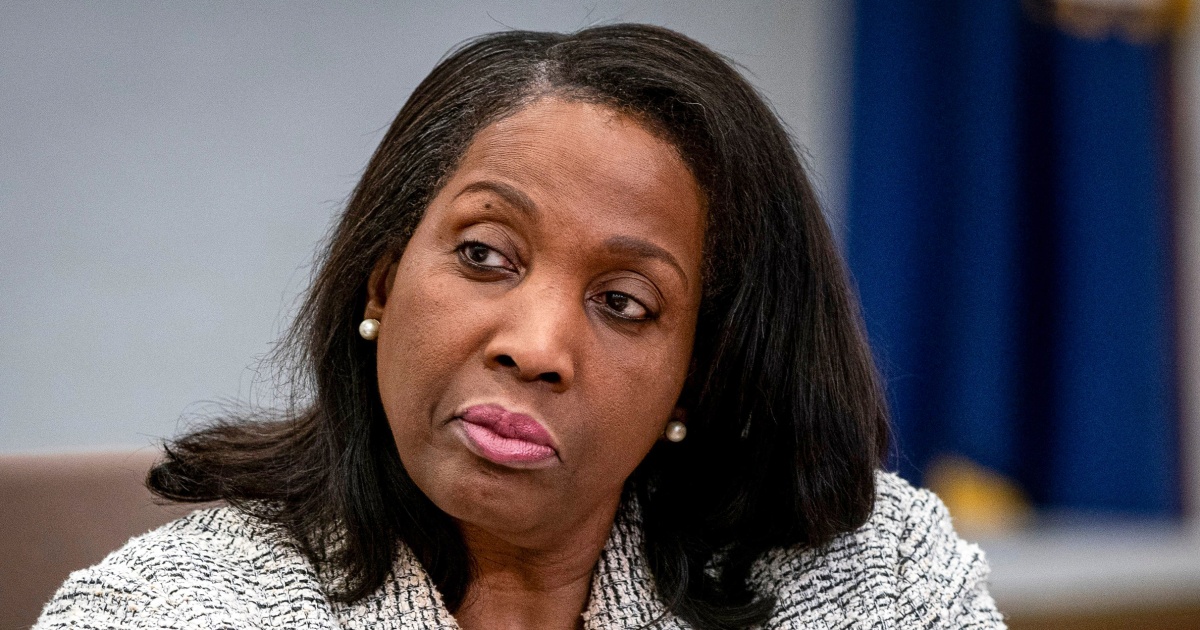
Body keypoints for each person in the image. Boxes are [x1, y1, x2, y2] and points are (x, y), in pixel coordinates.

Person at [35, 24, 1004, 629]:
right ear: (382, 284)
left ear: (700, 374)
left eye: (625, 303)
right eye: (484, 254)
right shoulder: (166, 614)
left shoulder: (877, 582)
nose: (534, 348)